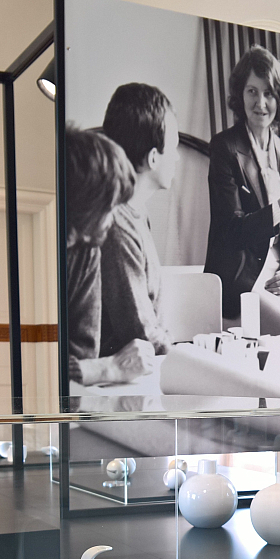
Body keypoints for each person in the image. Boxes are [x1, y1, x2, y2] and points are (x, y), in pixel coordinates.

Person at [204, 45, 280, 367]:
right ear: (240, 95)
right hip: (242, 284)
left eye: (269, 93)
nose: (261, 103)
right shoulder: (224, 148)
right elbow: (230, 230)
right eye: (252, 92)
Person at [65, 125, 154, 386]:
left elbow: (83, 351)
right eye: (109, 206)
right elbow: (31, 365)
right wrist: (108, 368)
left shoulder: (89, 247)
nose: (113, 219)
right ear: (87, 205)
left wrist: (88, 368)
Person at [100, 83, 177, 357]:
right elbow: (140, 333)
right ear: (154, 158)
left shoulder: (136, 211)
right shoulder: (117, 225)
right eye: (174, 148)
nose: (177, 158)